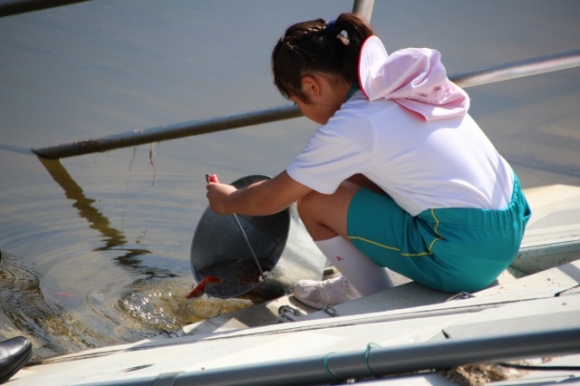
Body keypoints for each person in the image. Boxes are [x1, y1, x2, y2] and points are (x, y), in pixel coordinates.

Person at [206, 13, 531, 308]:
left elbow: (272, 198)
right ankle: (353, 280)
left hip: (465, 257)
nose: (301, 111)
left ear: (311, 86)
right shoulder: (403, 86)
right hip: (511, 225)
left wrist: (230, 200)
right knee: (352, 173)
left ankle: (373, 299)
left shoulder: (355, 123)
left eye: (296, 102)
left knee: (314, 200)